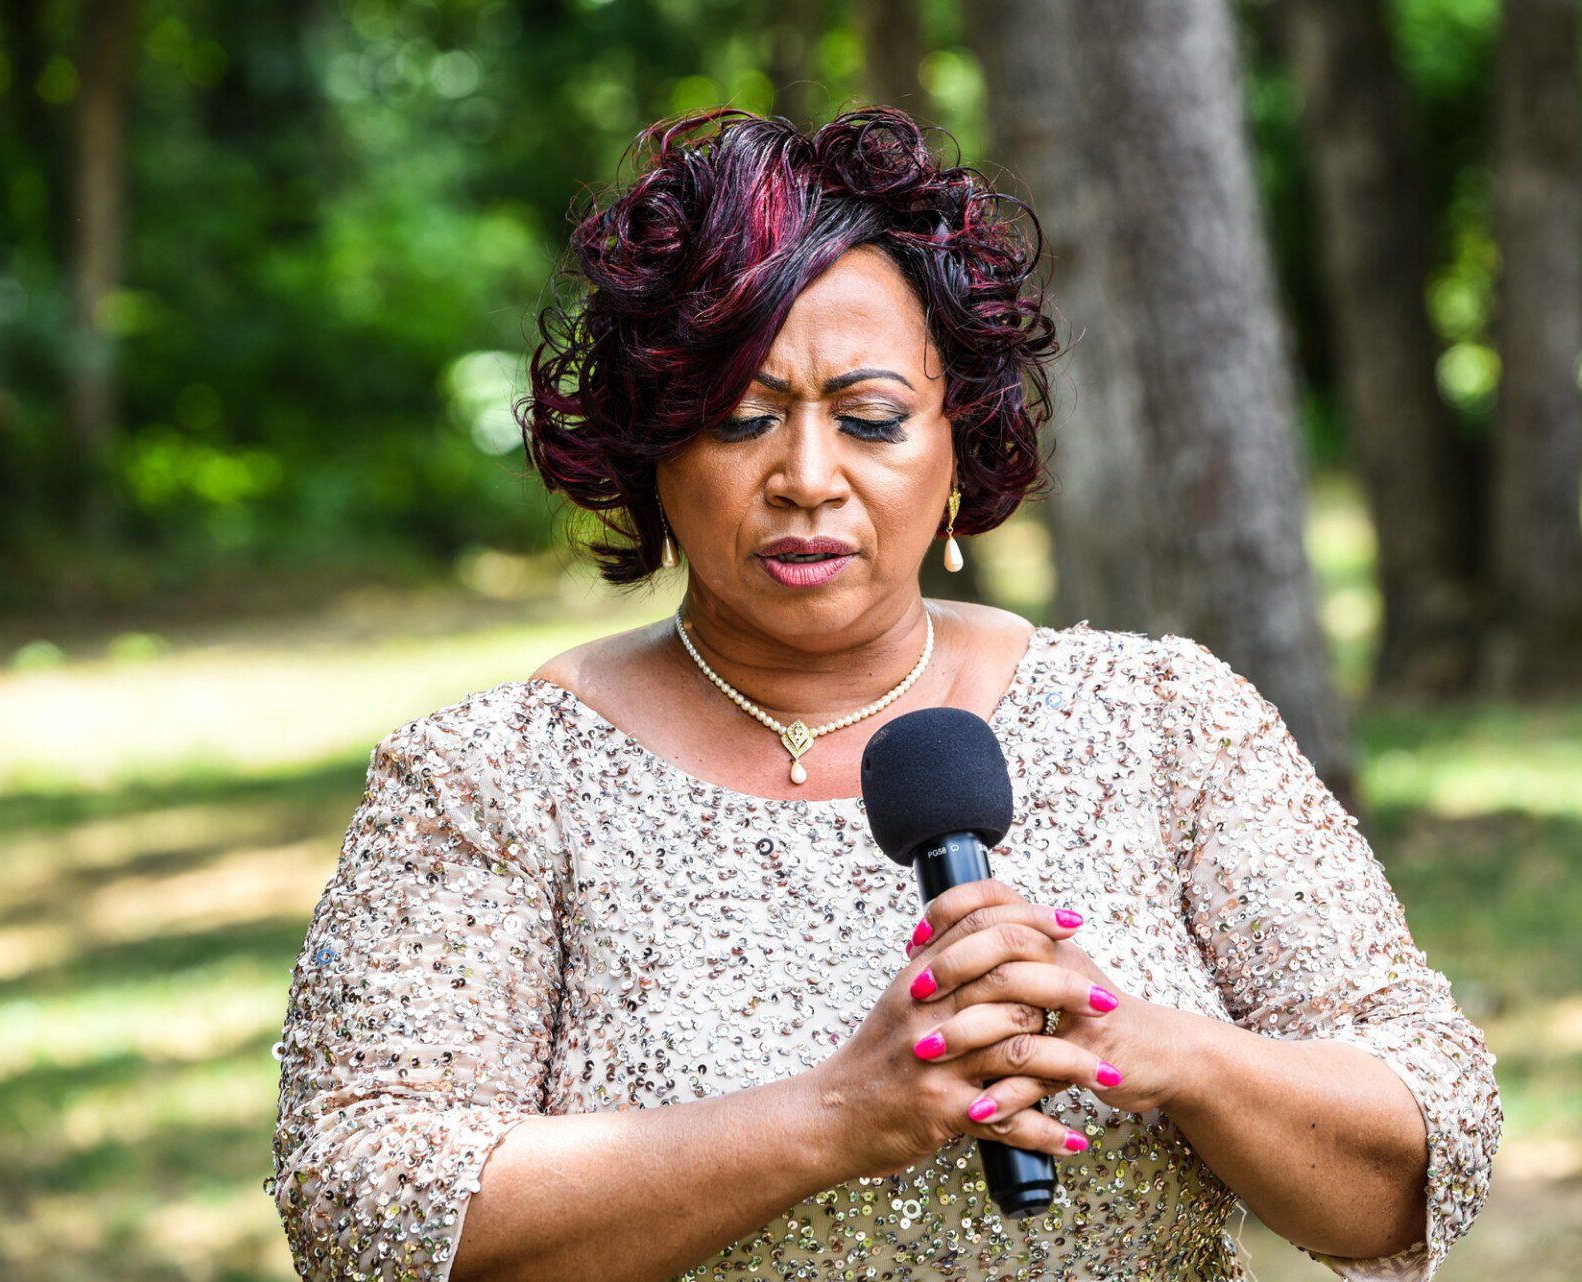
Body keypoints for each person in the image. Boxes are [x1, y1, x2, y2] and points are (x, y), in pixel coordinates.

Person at [265, 105, 1500, 1282]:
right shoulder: (490, 780)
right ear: (651, 452)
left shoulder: (1162, 716)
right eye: (743, 420)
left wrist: (1166, 1049)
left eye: (870, 417)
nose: (809, 476)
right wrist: (832, 1120)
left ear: (960, 441)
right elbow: (367, 1209)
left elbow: (1418, 1158)